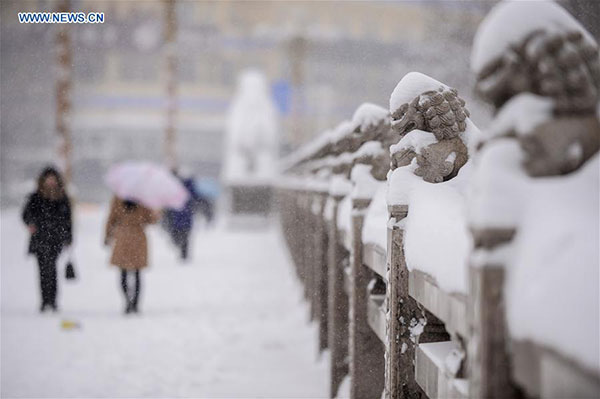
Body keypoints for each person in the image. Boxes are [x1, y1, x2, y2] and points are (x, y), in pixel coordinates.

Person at [22, 166, 72, 312]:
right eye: (48, 179)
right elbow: (25, 215)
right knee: (43, 270)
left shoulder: (62, 197)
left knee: (52, 269)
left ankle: (53, 300)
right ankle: (45, 300)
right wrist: (31, 223)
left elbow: (67, 220)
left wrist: (68, 237)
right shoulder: (35, 197)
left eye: (53, 178)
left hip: (56, 238)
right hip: (40, 238)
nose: (51, 181)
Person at [104, 197, 157, 314]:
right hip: (138, 237)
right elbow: (151, 220)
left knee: (123, 272)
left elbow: (111, 218)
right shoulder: (143, 198)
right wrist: (155, 211)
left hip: (122, 237)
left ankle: (127, 301)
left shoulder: (118, 198)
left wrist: (107, 235)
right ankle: (135, 303)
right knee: (137, 273)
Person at [164, 172, 213, 261]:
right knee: (185, 237)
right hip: (186, 217)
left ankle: (182, 251)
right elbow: (198, 200)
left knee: (178, 236)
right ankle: (184, 254)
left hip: (177, 217)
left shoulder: (175, 187)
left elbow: (168, 202)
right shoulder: (190, 189)